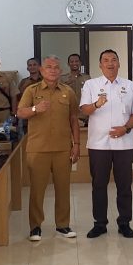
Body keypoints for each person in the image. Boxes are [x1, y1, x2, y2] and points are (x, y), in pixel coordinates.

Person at [80, 49, 133, 238]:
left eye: (114, 60)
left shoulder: (129, 85)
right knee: (99, 185)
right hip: (98, 145)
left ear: (119, 64)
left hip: (124, 144)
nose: (110, 63)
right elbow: (84, 110)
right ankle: (100, 224)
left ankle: (124, 223)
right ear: (100, 65)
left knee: (124, 186)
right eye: (106, 60)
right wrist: (97, 104)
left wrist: (125, 128)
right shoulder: (91, 85)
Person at [17, 55, 80, 241]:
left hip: (62, 148)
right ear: (42, 70)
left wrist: (77, 144)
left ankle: (63, 225)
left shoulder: (68, 92)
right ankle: (35, 227)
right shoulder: (31, 90)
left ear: (61, 71)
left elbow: (74, 119)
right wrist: (35, 109)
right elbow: (20, 112)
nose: (53, 70)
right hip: (38, 149)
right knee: (37, 191)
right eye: (49, 67)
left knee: (63, 189)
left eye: (56, 67)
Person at [60, 54, 91, 123]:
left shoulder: (87, 78)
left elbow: (91, 95)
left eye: (76, 61)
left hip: (84, 116)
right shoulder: (62, 79)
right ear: (68, 64)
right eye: (72, 61)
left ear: (80, 63)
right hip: (67, 115)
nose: (74, 63)